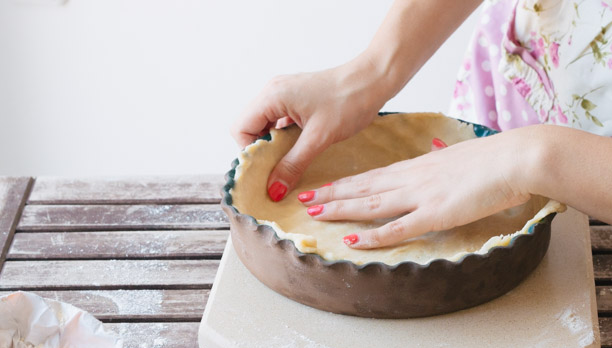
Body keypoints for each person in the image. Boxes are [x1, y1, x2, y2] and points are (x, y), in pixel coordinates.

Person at [230, 0, 612, 250]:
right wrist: (373, 70)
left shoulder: (528, 154)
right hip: (522, 85)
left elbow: (530, 156)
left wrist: (532, 156)